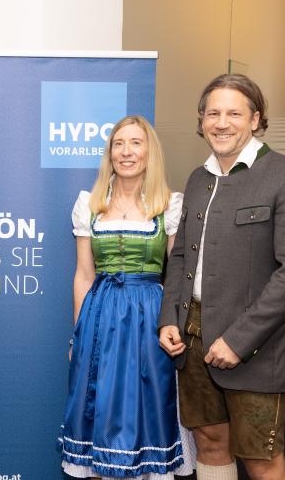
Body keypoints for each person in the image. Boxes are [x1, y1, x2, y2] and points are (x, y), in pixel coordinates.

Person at [158, 74, 285, 480]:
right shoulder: (198, 179)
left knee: (262, 461)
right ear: (201, 120)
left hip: (258, 346)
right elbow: (180, 257)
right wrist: (169, 319)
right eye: (212, 113)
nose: (221, 123)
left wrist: (239, 340)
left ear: (255, 119)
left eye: (234, 113)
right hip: (192, 340)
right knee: (210, 442)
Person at [58, 115, 195, 479]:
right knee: (100, 405)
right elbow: (84, 275)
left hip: (149, 316)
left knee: (147, 403)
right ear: (110, 154)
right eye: (118, 144)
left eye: (136, 143)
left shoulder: (167, 204)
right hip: (100, 317)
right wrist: (77, 335)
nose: (126, 151)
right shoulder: (90, 204)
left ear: (150, 152)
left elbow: (178, 273)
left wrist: (174, 323)